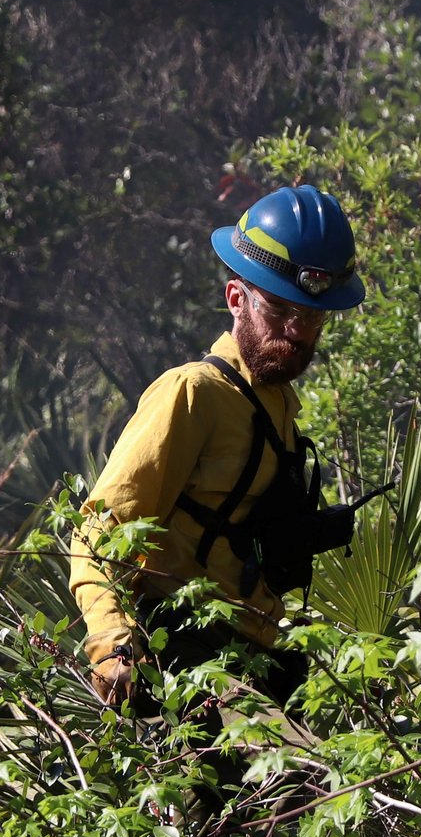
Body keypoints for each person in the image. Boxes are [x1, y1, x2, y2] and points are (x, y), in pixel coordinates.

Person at [70, 183, 373, 712]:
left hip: (257, 658)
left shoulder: (279, 410)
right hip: (187, 651)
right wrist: (112, 645)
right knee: (285, 765)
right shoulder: (193, 392)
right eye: (280, 310)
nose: (297, 331)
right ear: (237, 299)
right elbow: (101, 528)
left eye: (312, 316)